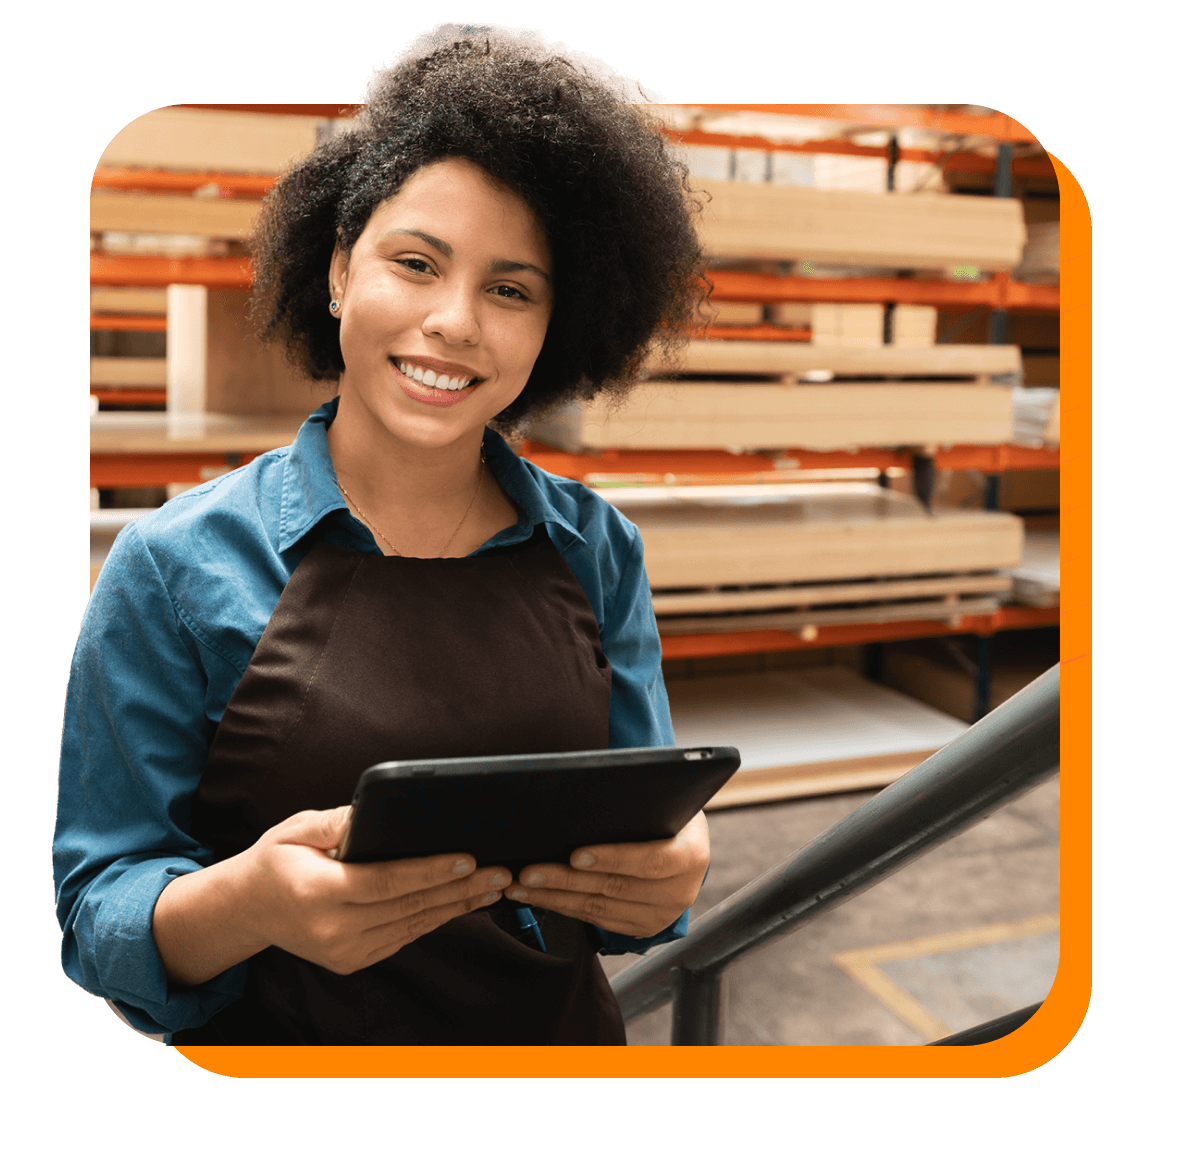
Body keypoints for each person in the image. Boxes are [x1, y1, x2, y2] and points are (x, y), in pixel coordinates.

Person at [60, 25, 715, 1045]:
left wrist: (670, 873)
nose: (455, 321)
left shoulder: (597, 549)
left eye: (510, 289)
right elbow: (96, 904)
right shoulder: (175, 566)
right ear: (337, 270)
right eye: (416, 262)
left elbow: (641, 846)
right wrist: (251, 904)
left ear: (556, 326)